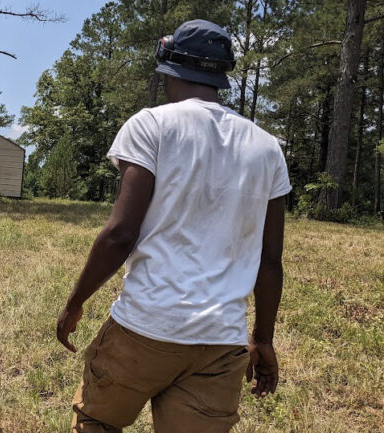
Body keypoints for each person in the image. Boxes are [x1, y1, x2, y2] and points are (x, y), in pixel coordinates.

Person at [56, 19, 291, 433]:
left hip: (147, 327)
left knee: (97, 422)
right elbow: (270, 261)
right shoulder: (267, 147)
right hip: (221, 343)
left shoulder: (152, 125)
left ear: (166, 67)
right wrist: (264, 338)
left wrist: (76, 303)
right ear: (221, 76)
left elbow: (120, 234)